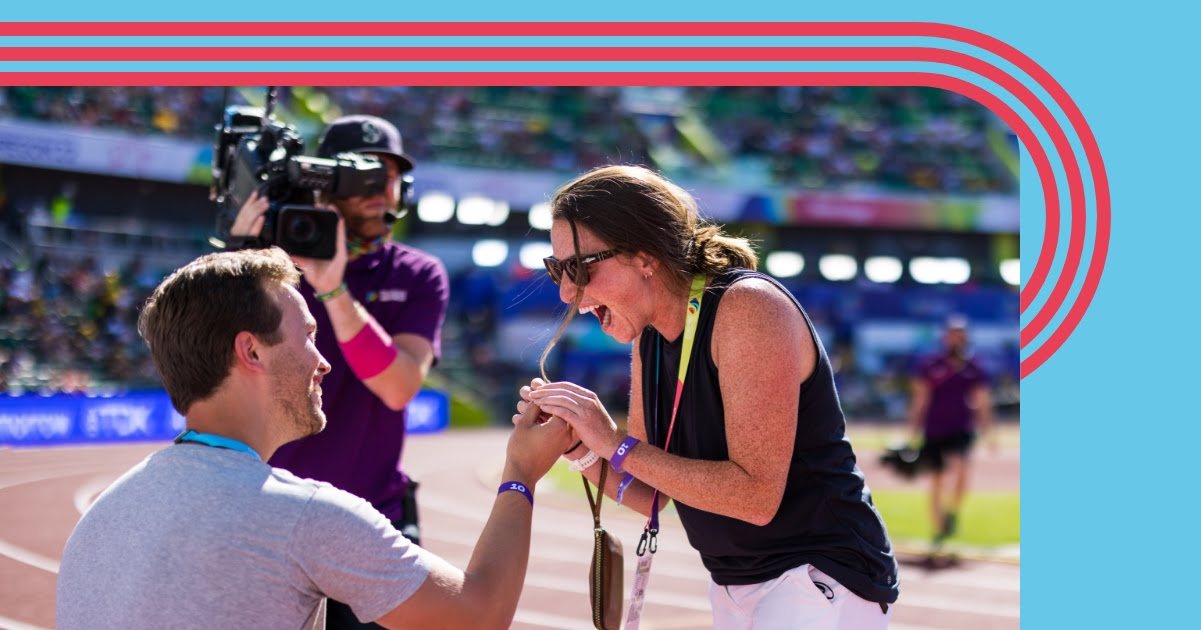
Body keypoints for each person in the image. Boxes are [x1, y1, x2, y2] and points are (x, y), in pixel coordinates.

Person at [56, 247, 570, 630]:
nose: (324, 361)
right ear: (251, 352)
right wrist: (520, 473)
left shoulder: (103, 514)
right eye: (307, 335)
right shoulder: (305, 517)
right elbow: (479, 614)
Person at [519, 165, 899, 629]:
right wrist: (581, 449)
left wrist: (613, 441)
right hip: (733, 583)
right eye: (557, 268)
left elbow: (755, 498)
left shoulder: (748, 307)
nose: (565, 292)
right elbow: (655, 494)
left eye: (578, 267)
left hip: (820, 573)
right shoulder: (650, 337)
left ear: (645, 257)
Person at [228, 114, 449, 628]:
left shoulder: (418, 274)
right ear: (324, 183)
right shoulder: (267, 267)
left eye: (388, 176)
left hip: (369, 518)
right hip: (266, 514)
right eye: (363, 174)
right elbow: (215, 368)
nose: (378, 188)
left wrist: (332, 287)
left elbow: (399, 387)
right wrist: (236, 261)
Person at [905, 315, 995, 546]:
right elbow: (920, 399)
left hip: (960, 428)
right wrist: (912, 431)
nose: (956, 338)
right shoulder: (930, 365)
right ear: (945, 337)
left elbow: (982, 401)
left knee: (960, 470)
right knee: (936, 479)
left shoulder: (974, 367)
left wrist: (988, 431)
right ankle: (939, 527)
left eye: (960, 334)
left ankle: (952, 510)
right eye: (952, 334)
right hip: (933, 429)